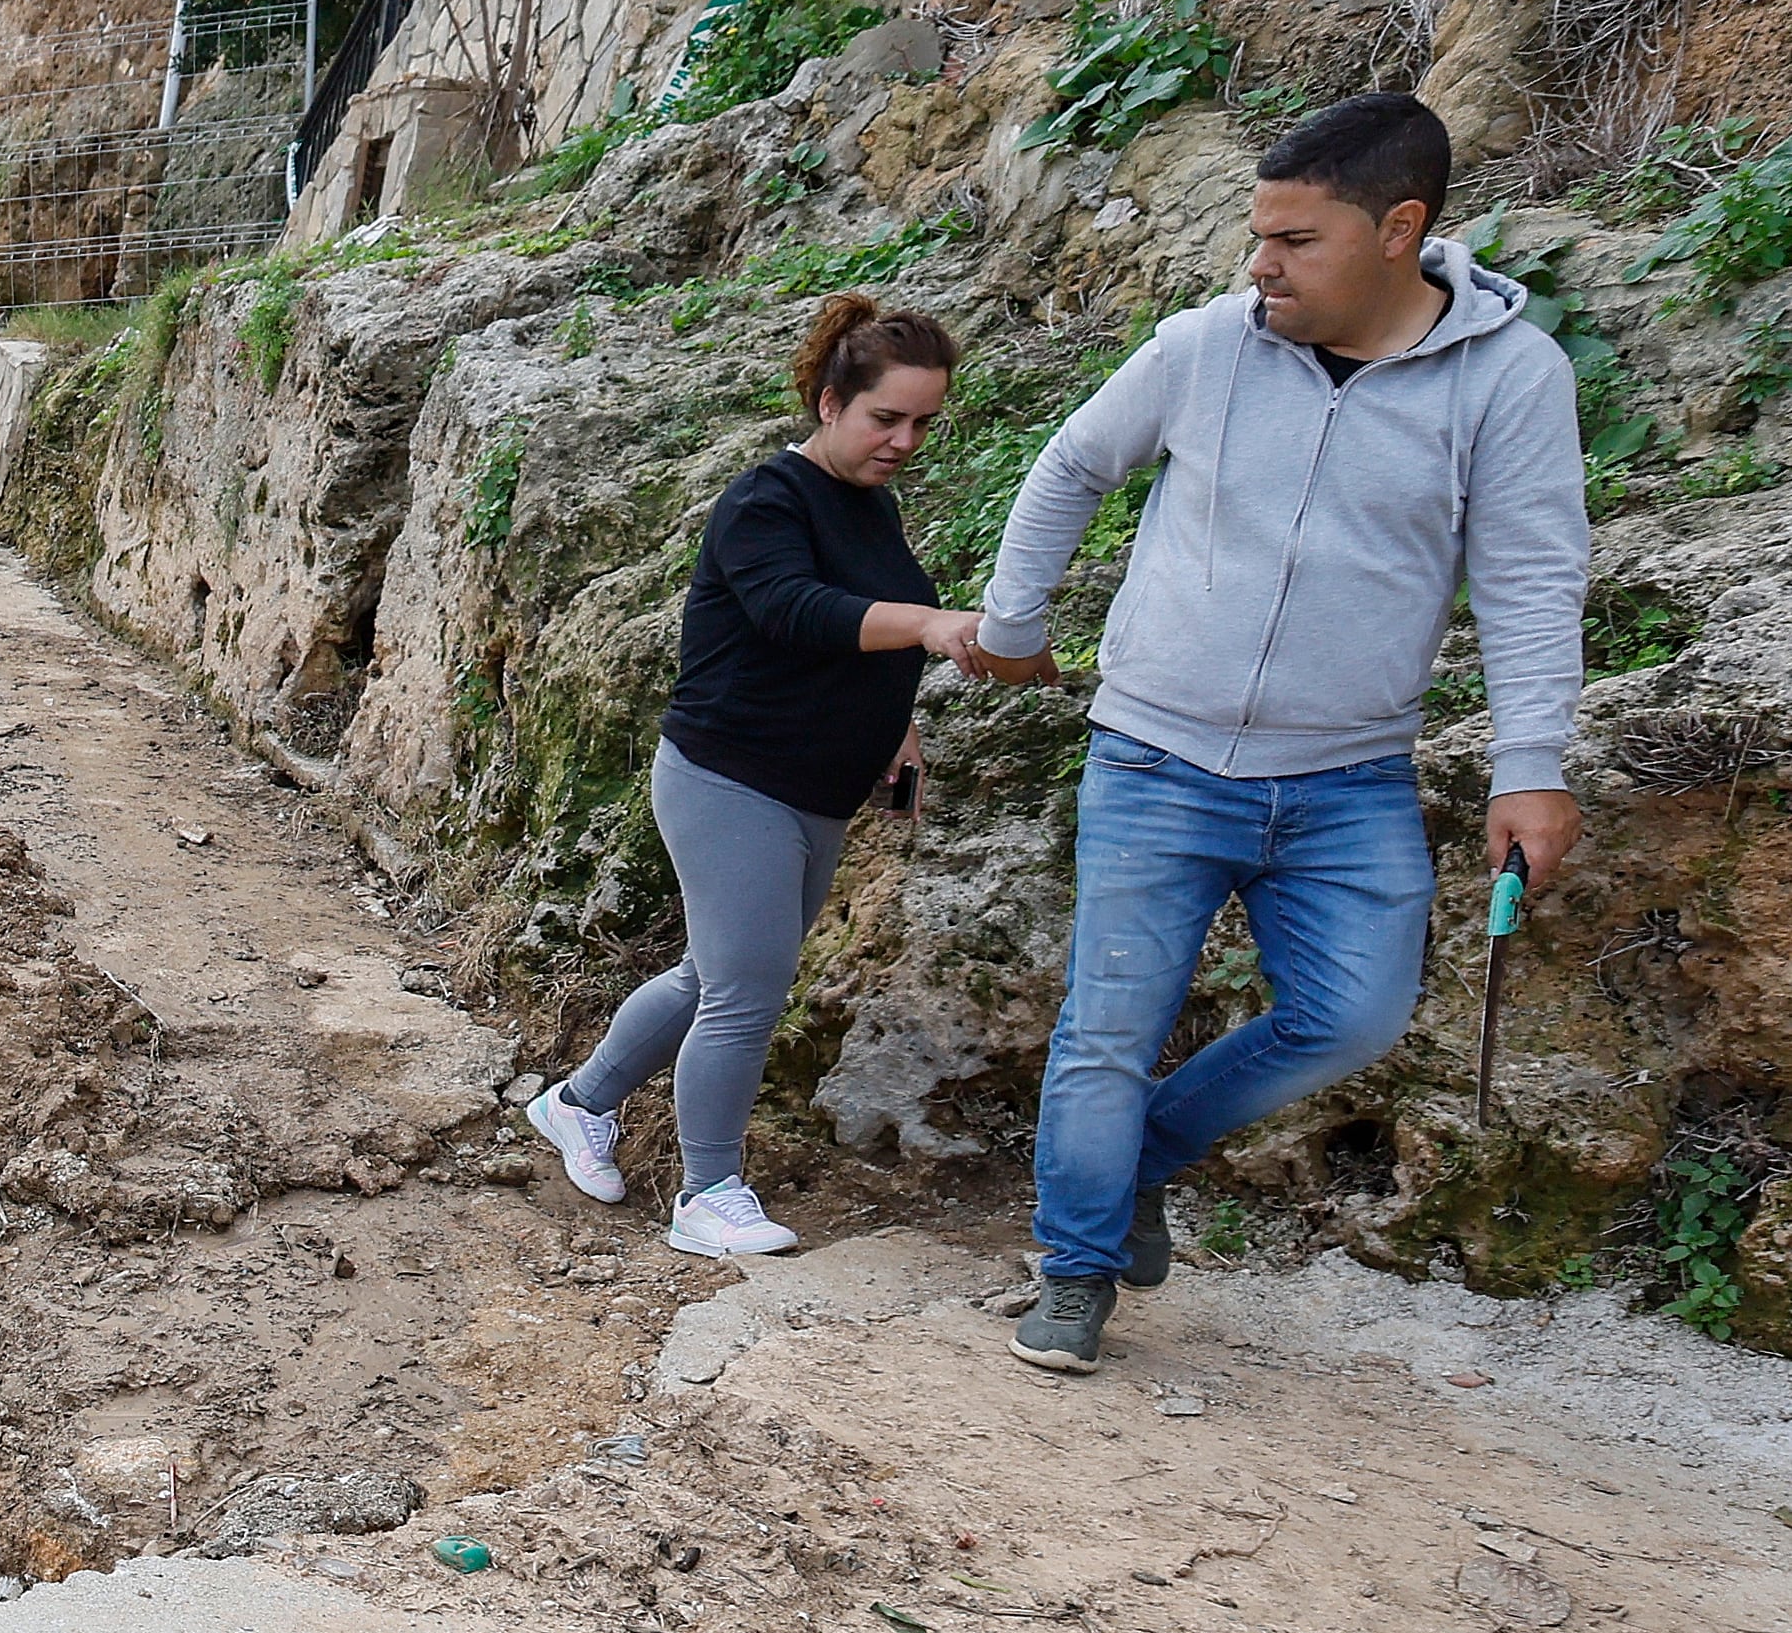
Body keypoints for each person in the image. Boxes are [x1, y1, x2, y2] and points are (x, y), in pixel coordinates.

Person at [967, 89, 1589, 1374]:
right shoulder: (1205, 346)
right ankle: (1075, 1268)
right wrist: (1012, 620)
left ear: (1397, 230)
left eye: (1293, 240)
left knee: (1354, 1015)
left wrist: (1530, 769)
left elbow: (1532, 577)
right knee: (1104, 1031)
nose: (1260, 264)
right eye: (1257, 237)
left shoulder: (1511, 378)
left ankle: (1129, 1161)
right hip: (1152, 753)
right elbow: (1073, 463)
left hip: (1347, 772)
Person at [526, 295, 982, 1256]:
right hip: (729, 778)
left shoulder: (871, 507)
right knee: (747, 988)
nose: (903, 440)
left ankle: (579, 1103)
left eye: (921, 423)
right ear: (828, 403)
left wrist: (897, 730)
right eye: (884, 418)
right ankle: (707, 1196)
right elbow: (797, 612)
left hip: (814, 789)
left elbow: (863, 635)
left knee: (712, 978)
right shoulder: (764, 501)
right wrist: (934, 627)